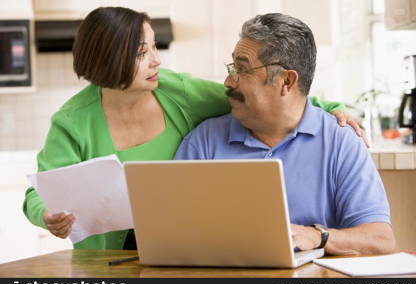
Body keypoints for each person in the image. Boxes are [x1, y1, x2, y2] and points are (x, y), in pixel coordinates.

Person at [23, 7, 363, 250]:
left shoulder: (176, 91)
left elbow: (264, 98)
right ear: (109, 59)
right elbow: (39, 192)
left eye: (155, 46)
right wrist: (47, 215)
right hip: (104, 261)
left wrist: (329, 107)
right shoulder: (72, 121)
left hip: (171, 251)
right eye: (143, 53)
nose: (157, 60)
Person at [174, 13, 395, 255]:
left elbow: (380, 241)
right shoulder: (204, 141)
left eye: (242, 69)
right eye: (232, 68)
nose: (228, 81)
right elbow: (171, 232)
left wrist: (316, 236)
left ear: (286, 81)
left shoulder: (340, 142)